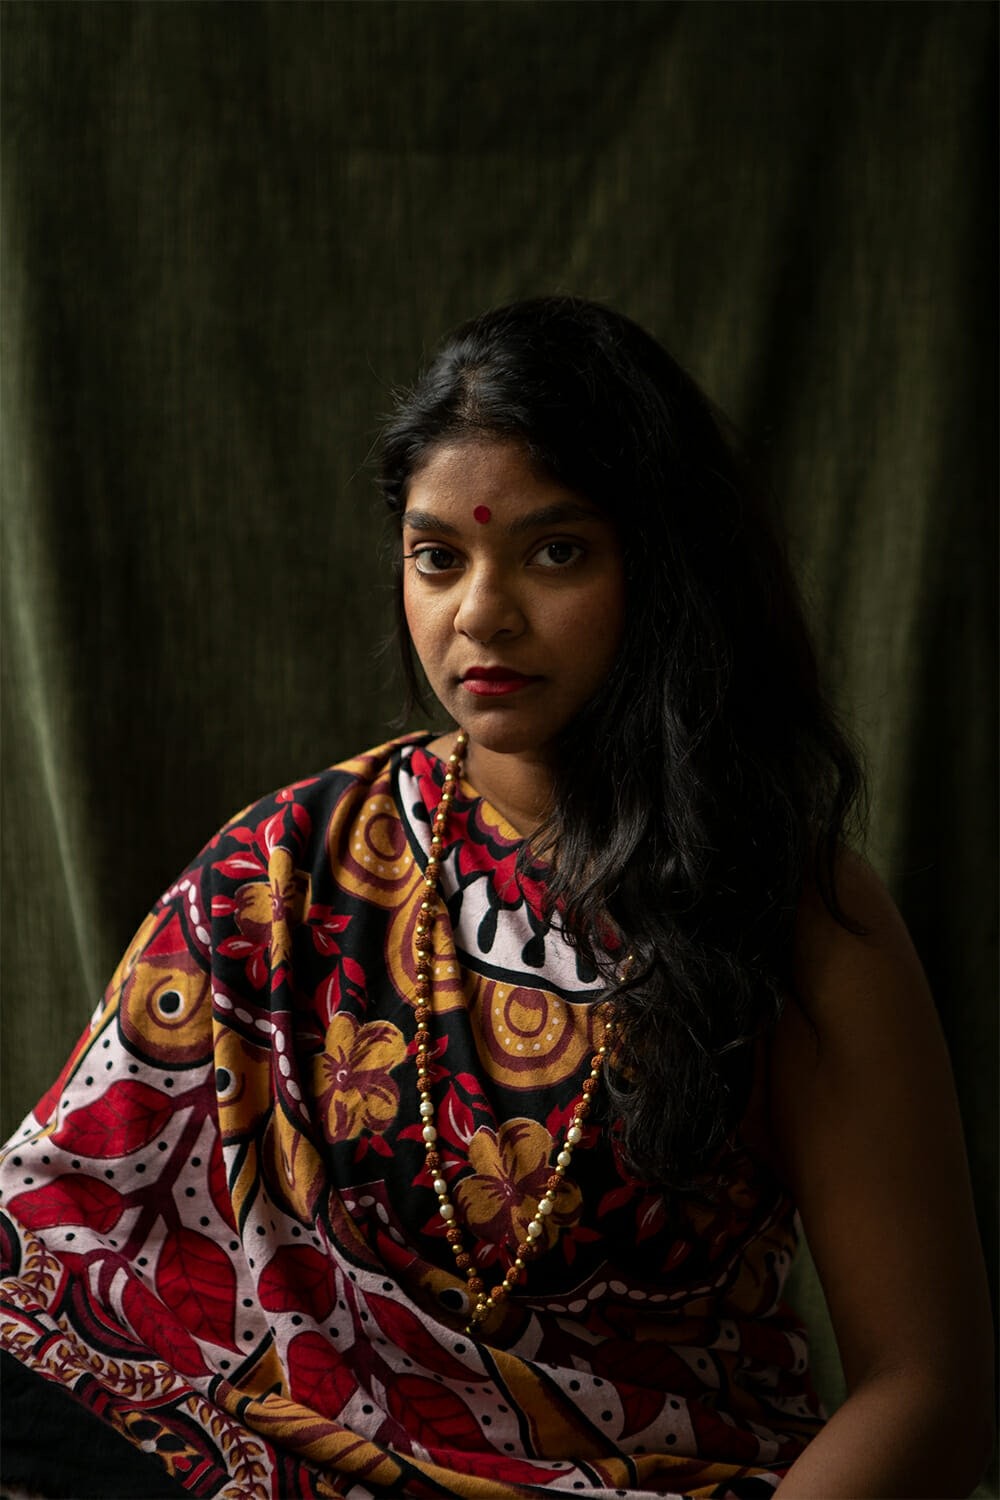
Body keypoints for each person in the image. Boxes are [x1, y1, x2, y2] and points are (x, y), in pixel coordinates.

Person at [0, 297, 992, 1500]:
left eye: (555, 552)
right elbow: (54, 1241)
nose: (481, 613)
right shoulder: (287, 871)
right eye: (438, 557)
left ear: (663, 567)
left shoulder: (794, 917)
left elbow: (925, 1389)